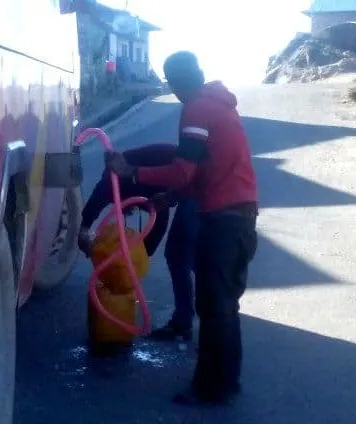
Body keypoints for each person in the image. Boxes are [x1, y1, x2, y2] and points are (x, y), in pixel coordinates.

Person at [104, 51, 259, 406]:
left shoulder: (198, 110)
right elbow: (201, 171)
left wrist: (132, 172)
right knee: (224, 306)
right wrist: (168, 199)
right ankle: (226, 381)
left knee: (213, 306)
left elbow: (183, 170)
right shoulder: (217, 106)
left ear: (174, 83)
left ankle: (209, 388)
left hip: (223, 221)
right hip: (239, 218)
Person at [78, 143, 199, 341]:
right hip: (181, 177)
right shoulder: (121, 186)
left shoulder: (118, 181)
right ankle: (188, 320)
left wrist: (134, 261)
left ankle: (197, 320)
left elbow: (159, 223)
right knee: (181, 256)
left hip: (193, 181)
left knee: (185, 254)